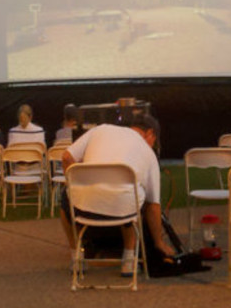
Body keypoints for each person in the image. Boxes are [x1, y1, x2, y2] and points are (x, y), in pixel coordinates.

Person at [60, 113, 174, 275]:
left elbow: (66, 157)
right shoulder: (149, 154)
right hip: (124, 212)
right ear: (150, 134)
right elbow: (153, 206)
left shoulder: (101, 129)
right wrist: (159, 243)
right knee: (136, 194)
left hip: (82, 208)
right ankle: (128, 258)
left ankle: (77, 255)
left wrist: (75, 185)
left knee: (66, 195)